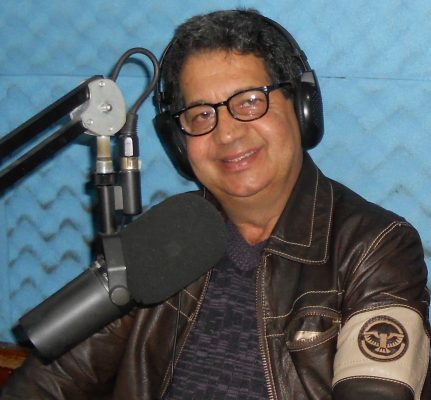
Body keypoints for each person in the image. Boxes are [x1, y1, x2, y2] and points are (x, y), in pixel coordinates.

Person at [1, 8, 430, 400]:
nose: (226, 133)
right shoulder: (167, 237)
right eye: (201, 114)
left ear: (301, 108)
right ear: (178, 141)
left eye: (250, 101)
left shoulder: (375, 249)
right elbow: (47, 383)